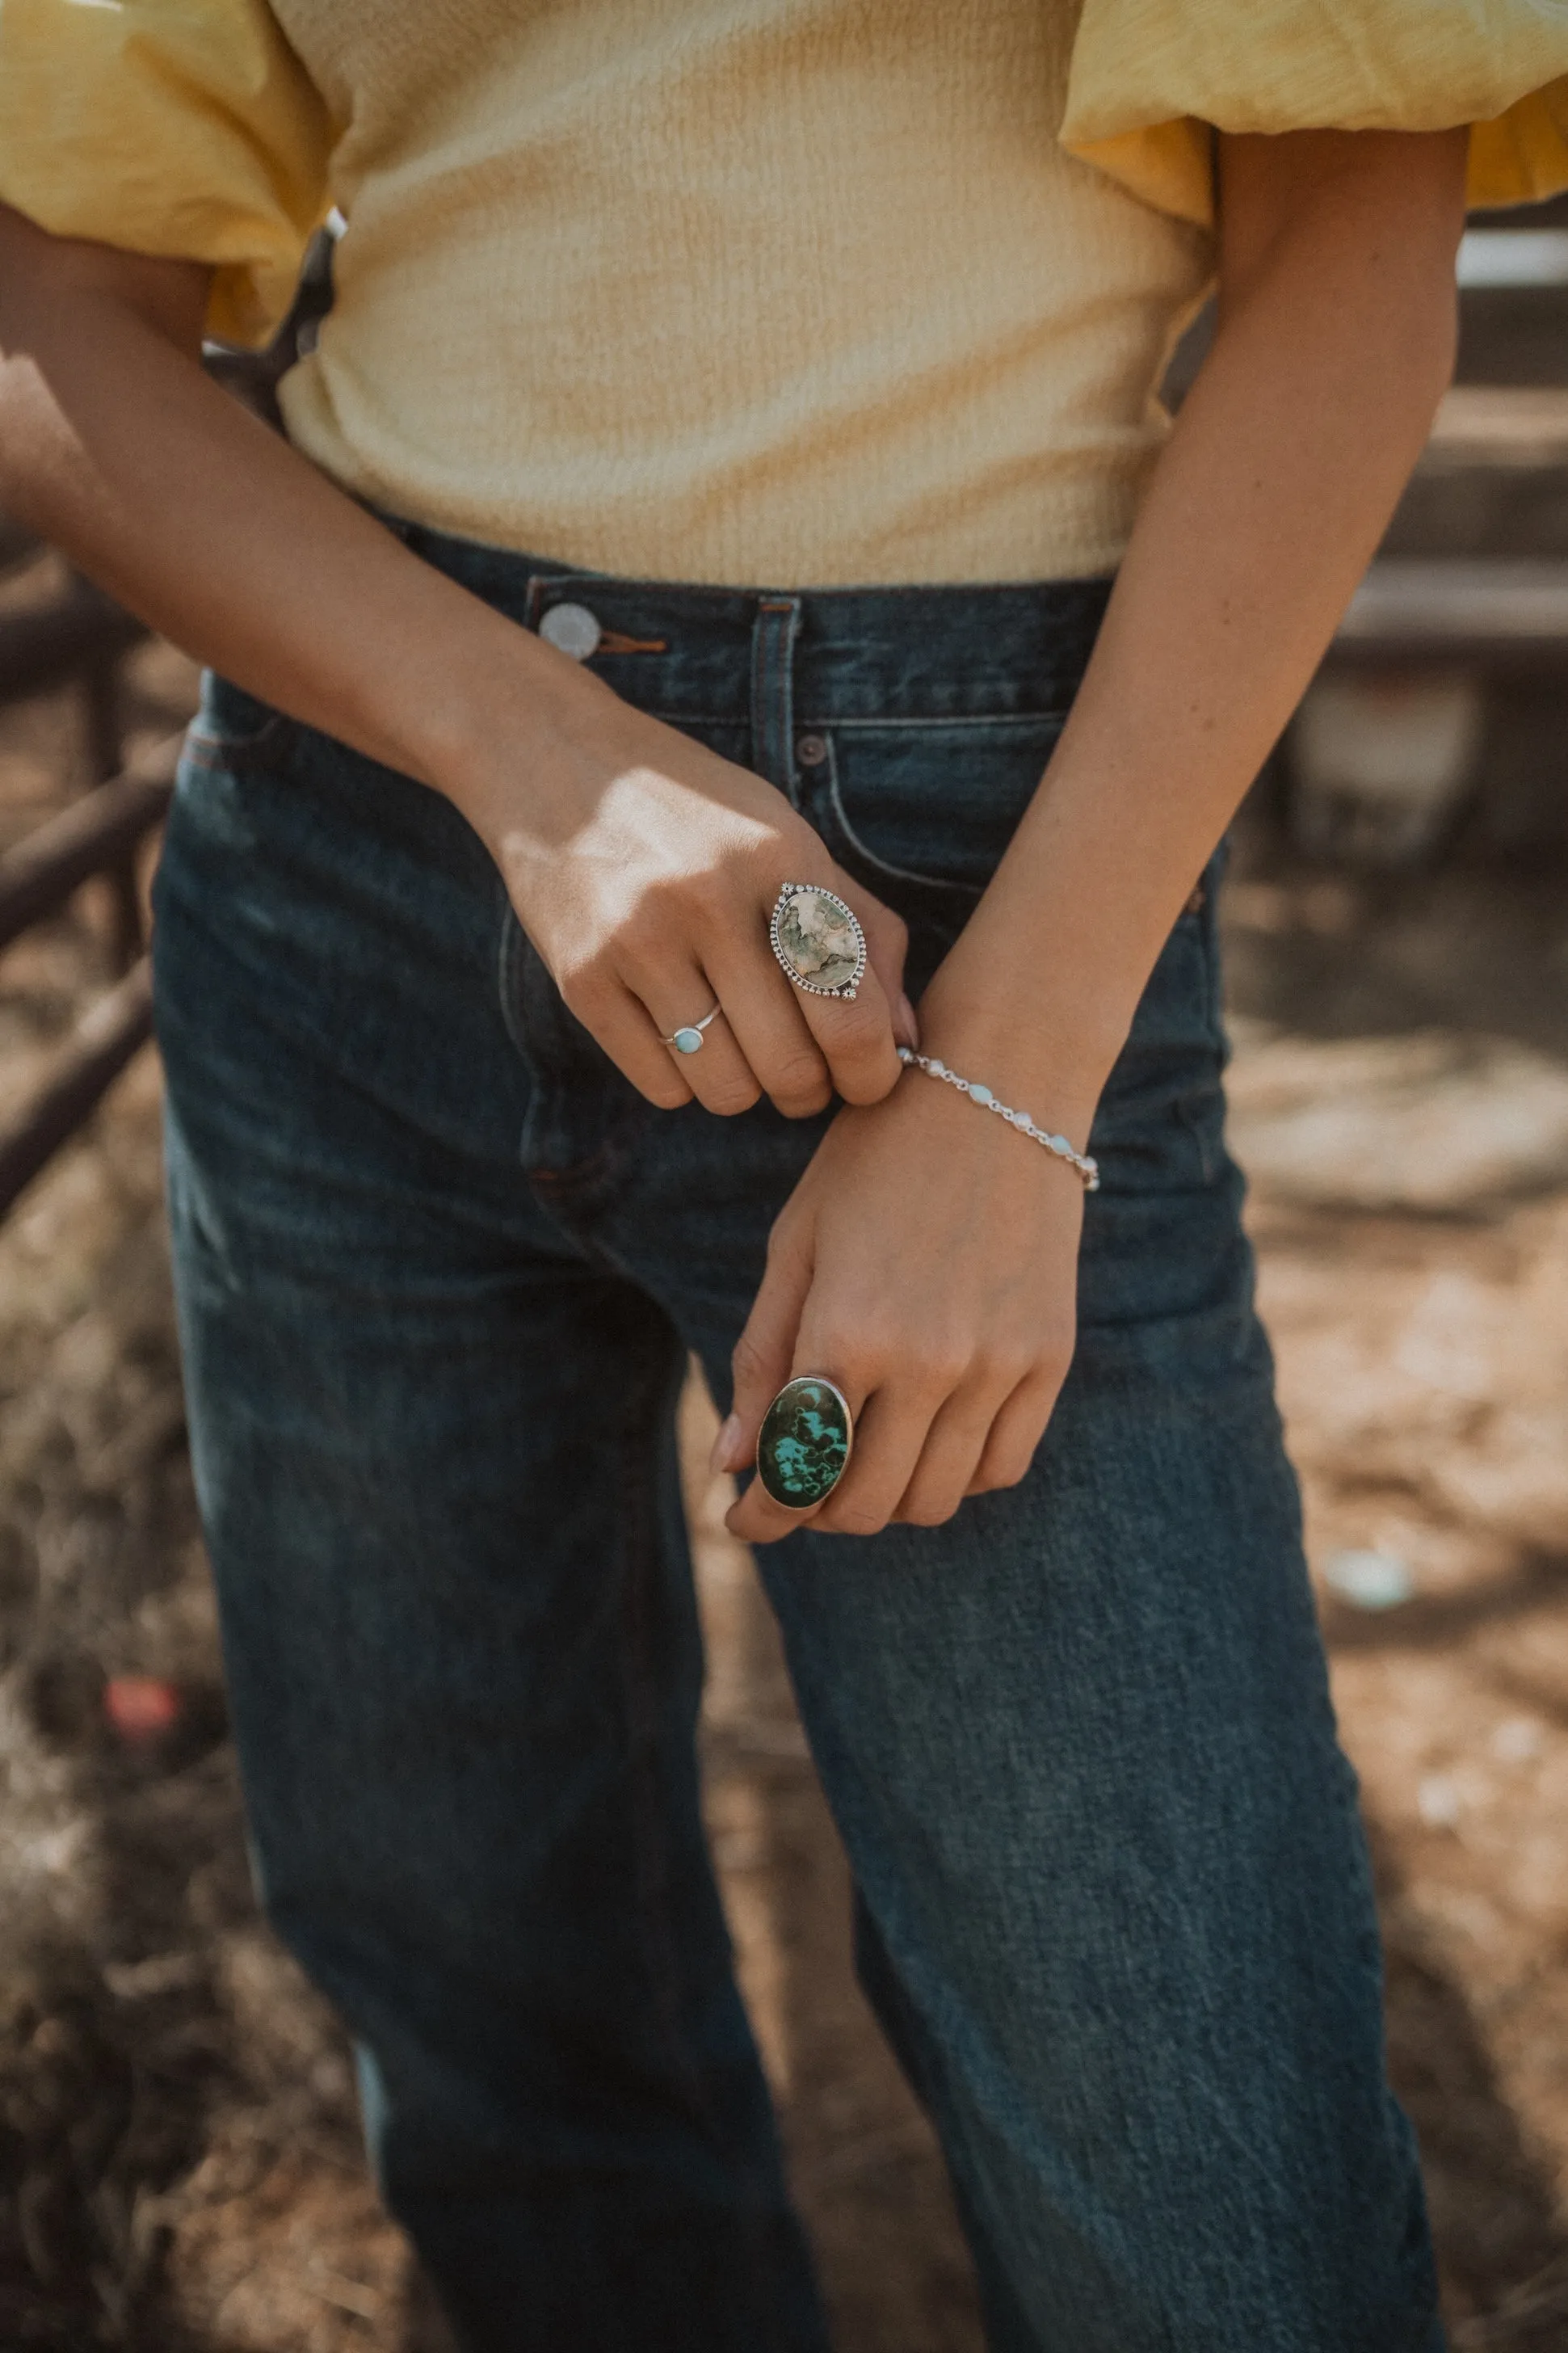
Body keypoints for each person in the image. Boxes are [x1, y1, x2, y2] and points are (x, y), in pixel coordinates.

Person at [2, 8, 1566, 2347]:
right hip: (354, 857)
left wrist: (1018, 1090)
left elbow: (1355, 230)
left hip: (964, 902)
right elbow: (54, 304)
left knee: (1195, 2191)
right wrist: (532, 760)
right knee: (488, 2015)